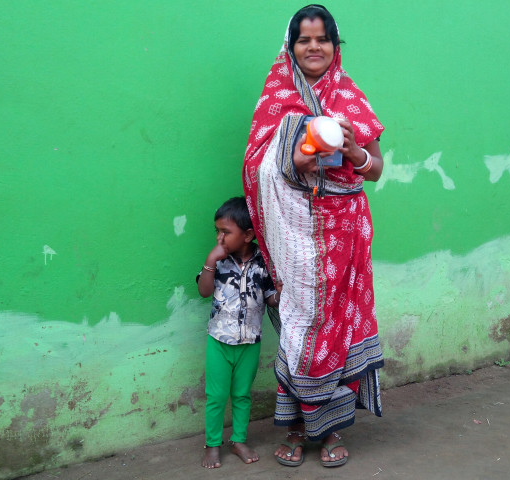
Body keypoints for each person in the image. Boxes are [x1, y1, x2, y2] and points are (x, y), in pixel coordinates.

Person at [242, 4, 385, 468]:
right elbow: (254, 164)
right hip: (293, 234)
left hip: (343, 233)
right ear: (292, 46)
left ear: (334, 45)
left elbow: (377, 170)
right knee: (299, 325)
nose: (314, 47)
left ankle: (332, 431)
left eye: (322, 38)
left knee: (335, 327)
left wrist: (354, 151)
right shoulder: (276, 95)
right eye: (304, 40)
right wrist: (289, 162)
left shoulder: (350, 96)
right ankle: (299, 426)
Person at [196, 196, 280, 469]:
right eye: (217, 231)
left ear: (247, 235)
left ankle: (239, 440)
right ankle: (212, 444)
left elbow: (270, 299)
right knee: (217, 396)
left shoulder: (261, 262)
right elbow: (204, 291)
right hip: (219, 340)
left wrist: (282, 292)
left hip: (250, 341)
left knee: (243, 394)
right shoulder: (218, 262)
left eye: (226, 232)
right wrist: (210, 259)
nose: (220, 238)